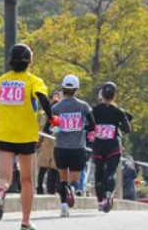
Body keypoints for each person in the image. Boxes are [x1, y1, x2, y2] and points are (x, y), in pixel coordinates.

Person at [0, 44, 53, 230]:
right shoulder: (33, 81)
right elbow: (43, 99)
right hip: (26, 137)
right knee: (27, 181)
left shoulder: (0, 82)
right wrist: (51, 116)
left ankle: (1, 192)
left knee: (5, 177)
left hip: (5, 135)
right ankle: (25, 222)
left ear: (9, 61)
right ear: (30, 61)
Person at [50, 75, 94, 218]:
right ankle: (72, 190)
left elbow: (49, 125)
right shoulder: (83, 106)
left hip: (61, 147)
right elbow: (93, 125)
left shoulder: (56, 107)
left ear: (63, 88)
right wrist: (82, 126)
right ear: (76, 89)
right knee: (74, 178)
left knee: (63, 178)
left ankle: (63, 206)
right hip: (78, 147)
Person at [90, 81, 132, 213]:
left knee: (99, 173)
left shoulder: (94, 110)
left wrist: (98, 128)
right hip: (113, 147)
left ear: (102, 94)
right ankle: (109, 193)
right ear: (115, 95)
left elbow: (88, 125)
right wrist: (115, 125)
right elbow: (127, 128)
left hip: (98, 147)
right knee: (110, 173)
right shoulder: (118, 111)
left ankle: (100, 201)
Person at [36, 92, 61, 196]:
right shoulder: (49, 112)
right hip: (49, 138)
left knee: (51, 166)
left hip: (54, 138)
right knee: (46, 165)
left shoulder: (57, 111)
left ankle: (48, 188)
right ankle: (44, 187)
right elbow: (42, 127)